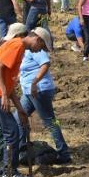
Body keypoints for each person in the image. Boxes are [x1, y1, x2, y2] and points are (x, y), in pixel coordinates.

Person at [0, 27, 50, 177]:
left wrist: (20, 109)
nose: (39, 51)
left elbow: (9, 82)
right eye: (41, 47)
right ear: (37, 39)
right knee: (12, 132)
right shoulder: (17, 45)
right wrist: (2, 94)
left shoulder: (17, 46)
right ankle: (10, 173)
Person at [17, 34, 71, 163]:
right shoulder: (24, 49)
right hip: (28, 91)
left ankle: (64, 154)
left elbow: (45, 64)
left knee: (50, 122)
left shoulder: (36, 49)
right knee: (18, 118)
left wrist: (34, 82)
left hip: (39, 90)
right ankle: (20, 151)